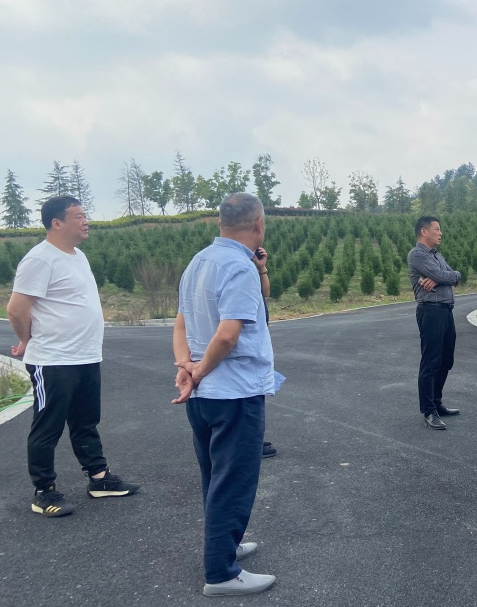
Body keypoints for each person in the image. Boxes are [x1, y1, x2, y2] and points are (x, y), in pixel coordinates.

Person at [172, 192, 281, 597]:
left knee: (215, 477)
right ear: (258, 224)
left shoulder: (198, 262)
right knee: (233, 481)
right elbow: (228, 335)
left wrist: (186, 367)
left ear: (220, 222)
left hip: (204, 395)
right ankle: (220, 572)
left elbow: (181, 324)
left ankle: (226, 545)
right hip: (233, 391)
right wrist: (199, 370)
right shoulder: (240, 268)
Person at [7, 195, 139, 518]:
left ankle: (99, 479)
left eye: (85, 215)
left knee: (85, 422)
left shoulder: (78, 256)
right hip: (53, 359)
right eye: (78, 216)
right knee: (47, 427)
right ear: (57, 223)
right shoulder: (40, 259)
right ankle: (44, 491)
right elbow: (16, 309)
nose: (85, 221)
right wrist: (27, 340)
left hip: (85, 356)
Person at [408, 216, 462, 430]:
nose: (440, 233)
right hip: (430, 311)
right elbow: (443, 274)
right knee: (431, 361)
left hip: (446, 311)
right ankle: (428, 410)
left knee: (446, 360)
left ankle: (437, 403)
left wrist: (442, 277)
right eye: (437, 229)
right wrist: (443, 276)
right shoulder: (417, 255)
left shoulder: (436, 255)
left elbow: (456, 276)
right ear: (424, 231)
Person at [253, 246, 278, 459]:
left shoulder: (249, 267)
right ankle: (252, 443)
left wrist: (262, 268)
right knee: (251, 393)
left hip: (259, 337)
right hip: (248, 343)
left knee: (258, 391)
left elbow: (266, 292)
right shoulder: (237, 268)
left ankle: (255, 438)